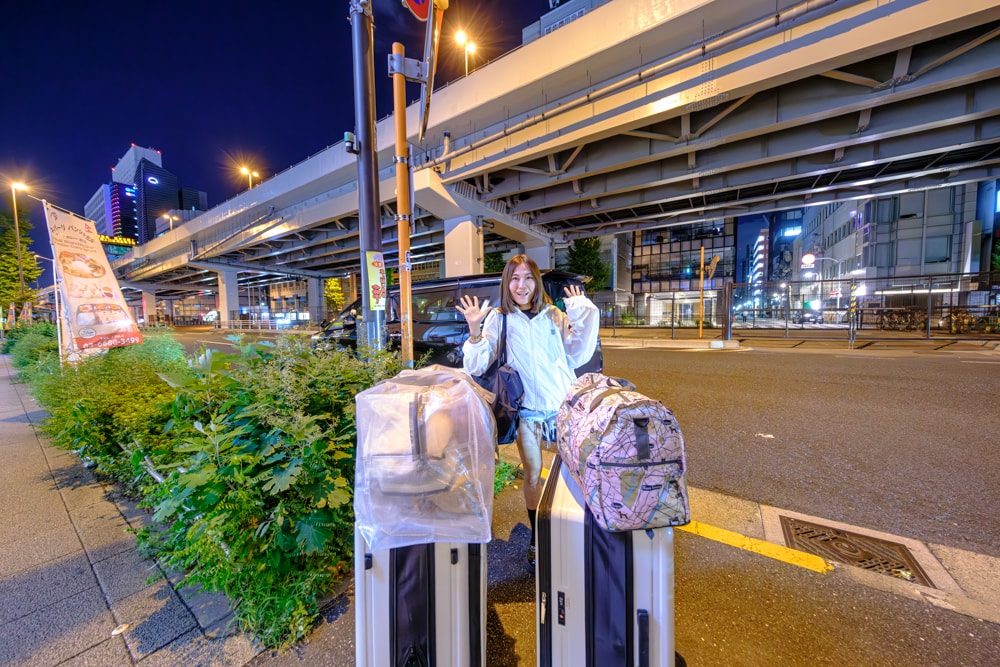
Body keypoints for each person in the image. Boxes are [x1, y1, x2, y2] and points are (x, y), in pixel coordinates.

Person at [457, 254, 599, 566]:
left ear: (536, 282)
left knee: (576, 470)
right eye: (515, 278)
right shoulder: (500, 318)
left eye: (528, 277)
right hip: (528, 412)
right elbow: (477, 364)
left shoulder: (553, 314)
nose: (522, 285)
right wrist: (475, 330)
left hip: (563, 407)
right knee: (533, 474)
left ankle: (578, 530)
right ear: (507, 284)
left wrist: (583, 314)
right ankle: (537, 538)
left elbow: (577, 353)